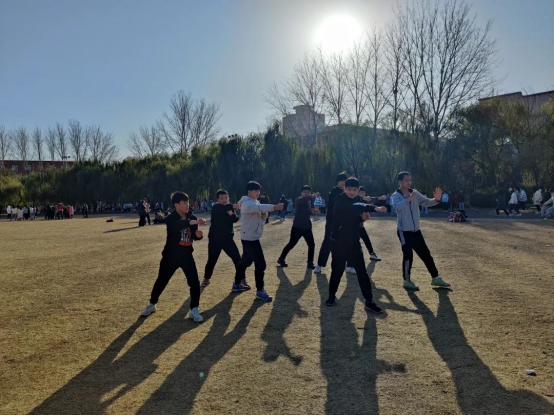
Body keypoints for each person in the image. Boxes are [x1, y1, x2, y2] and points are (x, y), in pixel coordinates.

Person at [140, 191, 206, 323]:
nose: (187, 205)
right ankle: (152, 303)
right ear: (176, 205)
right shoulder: (171, 218)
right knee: (161, 281)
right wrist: (193, 222)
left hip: (186, 256)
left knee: (194, 283)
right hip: (170, 256)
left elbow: (193, 235)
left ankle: (194, 309)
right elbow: (180, 224)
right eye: (184, 203)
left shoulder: (191, 216)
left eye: (188, 202)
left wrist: (198, 235)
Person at [325, 177, 388, 313]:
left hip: (353, 241)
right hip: (338, 241)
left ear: (358, 190)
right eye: (349, 189)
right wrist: (375, 208)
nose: (352, 192)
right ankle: (331, 296)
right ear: (344, 189)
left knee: (362, 272)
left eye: (354, 190)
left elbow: (354, 215)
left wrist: (361, 218)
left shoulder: (357, 199)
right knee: (337, 270)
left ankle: (369, 301)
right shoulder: (339, 199)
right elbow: (356, 207)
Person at [392, 172, 451, 291]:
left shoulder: (415, 193)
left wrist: (437, 200)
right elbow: (397, 207)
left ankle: (435, 277)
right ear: (400, 182)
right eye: (406, 180)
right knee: (408, 255)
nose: (409, 182)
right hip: (404, 232)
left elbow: (427, 202)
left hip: (416, 231)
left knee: (426, 254)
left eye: (410, 180)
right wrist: (409, 199)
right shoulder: (396, 195)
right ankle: (407, 281)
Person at [235, 181, 284, 302]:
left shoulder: (255, 202)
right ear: (249, 192)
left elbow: (263, 214)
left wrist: (264, 213)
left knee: (245, 261)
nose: (258, 193)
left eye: (259, 191)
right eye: (256, 191)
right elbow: (258, 208)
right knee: (261, 264)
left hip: (251, 237)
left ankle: (236, 284)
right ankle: (260, 291)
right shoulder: (246, 203)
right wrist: (274, 207)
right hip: (250, 238)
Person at [201, 189, 246, 290]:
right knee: (212, 259)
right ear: (217, 200)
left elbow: (235, 219)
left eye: (226, 198)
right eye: (221, 198)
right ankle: (206, 279)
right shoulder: (216, 207)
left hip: (227, 239)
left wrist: (231, 213)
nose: (224, 200)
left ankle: (242, 279)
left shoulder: (229, 208)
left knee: (237, 259)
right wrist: (233, 207)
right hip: (215, 239)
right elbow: (224, 208)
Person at [277, 186, 319, 269]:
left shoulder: (308, 202)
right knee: (291, 244)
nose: (306, 193)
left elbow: (307, 212)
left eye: (308, 192)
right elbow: (303, 200)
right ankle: (281, 259)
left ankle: (310, 263)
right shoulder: (298, 199)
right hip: (297, 227)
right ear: (301, 193)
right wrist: (312, 196)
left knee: (311, 245)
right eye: (305, 192)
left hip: (307, 227)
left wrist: (313, 212)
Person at [315, 172, 349, 274]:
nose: (343, 182)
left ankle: (348, 265)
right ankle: (319, 264)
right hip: (332, 221)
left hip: (344, 222)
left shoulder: (347, 192)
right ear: (338, 181)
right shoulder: (334, 191)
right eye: (341, 180)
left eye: (345, 180)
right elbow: (336, 203)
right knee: (327, 242)